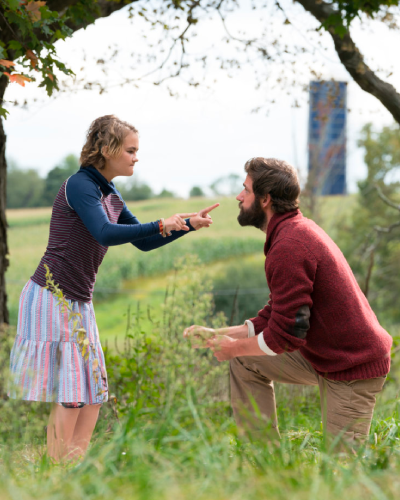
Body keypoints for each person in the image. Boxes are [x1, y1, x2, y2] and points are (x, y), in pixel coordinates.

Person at [9, 114, 219, 461]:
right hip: (52, 296)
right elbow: (104, 232)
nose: (137, 157)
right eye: (131, 150)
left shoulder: (109, 190)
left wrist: (186, 225)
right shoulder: (80, 185)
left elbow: (145, 242)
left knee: (92, 391)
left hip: (77, 300)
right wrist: (159, 223)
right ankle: (55, 472)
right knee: (73, 391)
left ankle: (73, 470)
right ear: (107, 149)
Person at [184, 157, 392, 446]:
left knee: (341, 471)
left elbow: (285, 336)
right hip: (322, 355)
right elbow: (276, 316)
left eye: (246, 190)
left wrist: (231, 348)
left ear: (265, 199)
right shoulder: (290, 233)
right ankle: (264, 461)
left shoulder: (291, 244)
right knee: (245, 360)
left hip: (352, 366)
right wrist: (219, 336)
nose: (239, 196)